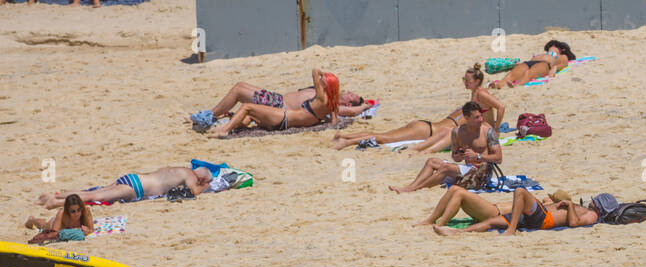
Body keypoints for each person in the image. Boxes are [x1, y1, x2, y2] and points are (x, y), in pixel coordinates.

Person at [332, 64, 503, 150]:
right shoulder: (477, 96)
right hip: (428, 130)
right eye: (464, 80)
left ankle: (345, 137)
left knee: (383, 135)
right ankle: (345, 142)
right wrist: (495, 129)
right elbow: (499, 108)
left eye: (468, 81)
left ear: (477, 81)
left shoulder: (479, 95)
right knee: (385, 138)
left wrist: (495, 128)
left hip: (427, 126)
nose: (465, 83)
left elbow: (501, 107)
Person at [389, 102, 503, 193]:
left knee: (445, 168)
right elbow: (455, 157)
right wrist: (458, 156)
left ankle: (412, 189)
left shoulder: (488, 131)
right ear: (467, 118)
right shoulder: (457, 132)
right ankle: (411, 186)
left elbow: (498, 158)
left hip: (481, 172)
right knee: (431, 161)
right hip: (466, 168)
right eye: (476, 117)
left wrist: (477, 156)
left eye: (480, 116)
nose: (481, 120)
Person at [210, 68, 340, 137]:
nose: (321, 79)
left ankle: (224, 130)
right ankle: (229, 123)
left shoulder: (322, 97)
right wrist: (316, 121)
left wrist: (323, 73)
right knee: (249, 113)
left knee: (246, 107)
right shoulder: (331, 104)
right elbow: (334, 122)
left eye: (324, 80)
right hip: (284, 118)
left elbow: (314, 71)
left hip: (283, 117)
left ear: (326, 84)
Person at [194, 79, 367, 131]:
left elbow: (350, 112)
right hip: (276, 99)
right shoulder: (326, 96)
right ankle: (213, 116)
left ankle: (209, 116)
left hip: (279, 107)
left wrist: (365, 106)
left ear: (349, 102)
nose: (349, 93)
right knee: (239, 87)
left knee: (239, 91)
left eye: (352, 96)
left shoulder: (331, 104)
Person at [424, 187, 600, 234]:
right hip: (505, 213)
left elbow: (574, 222)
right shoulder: (546, 204)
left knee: (459, 192)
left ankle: (439, 223)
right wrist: (553, 200)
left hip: (495, 210)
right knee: (456, 190)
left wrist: (565, 203)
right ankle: (448, 229)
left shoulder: (583, 212)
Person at [36, 166, 213, 209]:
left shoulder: (178, 169)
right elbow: (194, 191)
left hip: (133, 177)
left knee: (93, 192)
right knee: (94, 198)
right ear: (200, 177)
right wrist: (206, 186)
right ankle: (56, 203)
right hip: (137, 188)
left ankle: (56, 195)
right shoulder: (190, 176)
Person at [490, 40, 575, 88]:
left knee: (529, 73)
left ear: (561, 50)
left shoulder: (561, 56)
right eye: (552, 45)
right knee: (510, 75)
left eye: (556, 46)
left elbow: (565, 63)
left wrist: (555, 68)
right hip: (529, 62)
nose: (552, 46)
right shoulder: (542, 53)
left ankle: (517, 86)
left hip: (545, 64)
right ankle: (498, 85)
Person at [25, 193, 94, 243]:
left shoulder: (86, 211)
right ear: (68, 211)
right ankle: (31, 220)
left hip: (66, 228)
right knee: (43, 225)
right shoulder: (62, 213)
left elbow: (91, 229)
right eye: (73, 211)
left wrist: (87, 231)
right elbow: (55, 233)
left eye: (79, 210)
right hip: (54, 225)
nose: (77, 214)